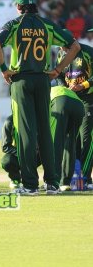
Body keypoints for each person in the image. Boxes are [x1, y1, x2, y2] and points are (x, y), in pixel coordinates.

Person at [0, 0, 81, 195]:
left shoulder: (14, 25)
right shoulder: (47, 25)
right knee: (45, 132)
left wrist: (4, 69)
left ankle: (30, 185)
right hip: (43, 80)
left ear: (18, 7)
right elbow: (74, 46)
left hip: (21, 80)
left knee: (26, 133)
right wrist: (58, 70)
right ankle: (52, 183)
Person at [55, 29, 93, 190]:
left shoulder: (87, 52)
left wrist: (82, 86)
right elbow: (59, 75)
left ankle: (86, 179)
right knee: (72, 139)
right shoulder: (60, 54)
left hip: (88, 99)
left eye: (64, 46)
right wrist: (65, 88)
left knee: (86, 138)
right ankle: (72, 177)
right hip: (71, 99)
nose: (62, 49)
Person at [50, 85, 85, 191]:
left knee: (55, 141)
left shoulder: (39, 94)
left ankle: (53, 181)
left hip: (60, 101)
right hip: (79, 105)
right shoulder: (52, 88)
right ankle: (65, 183)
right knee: (70, 143)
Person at [1, 114, 41, 190]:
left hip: (37, 155)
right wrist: (22, 153)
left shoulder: (39, 118)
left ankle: (51, 182)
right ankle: (15, 179)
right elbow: (5, 147)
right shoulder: (9, 121)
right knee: (7, 161)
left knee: (53, 154)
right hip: (18, 155)